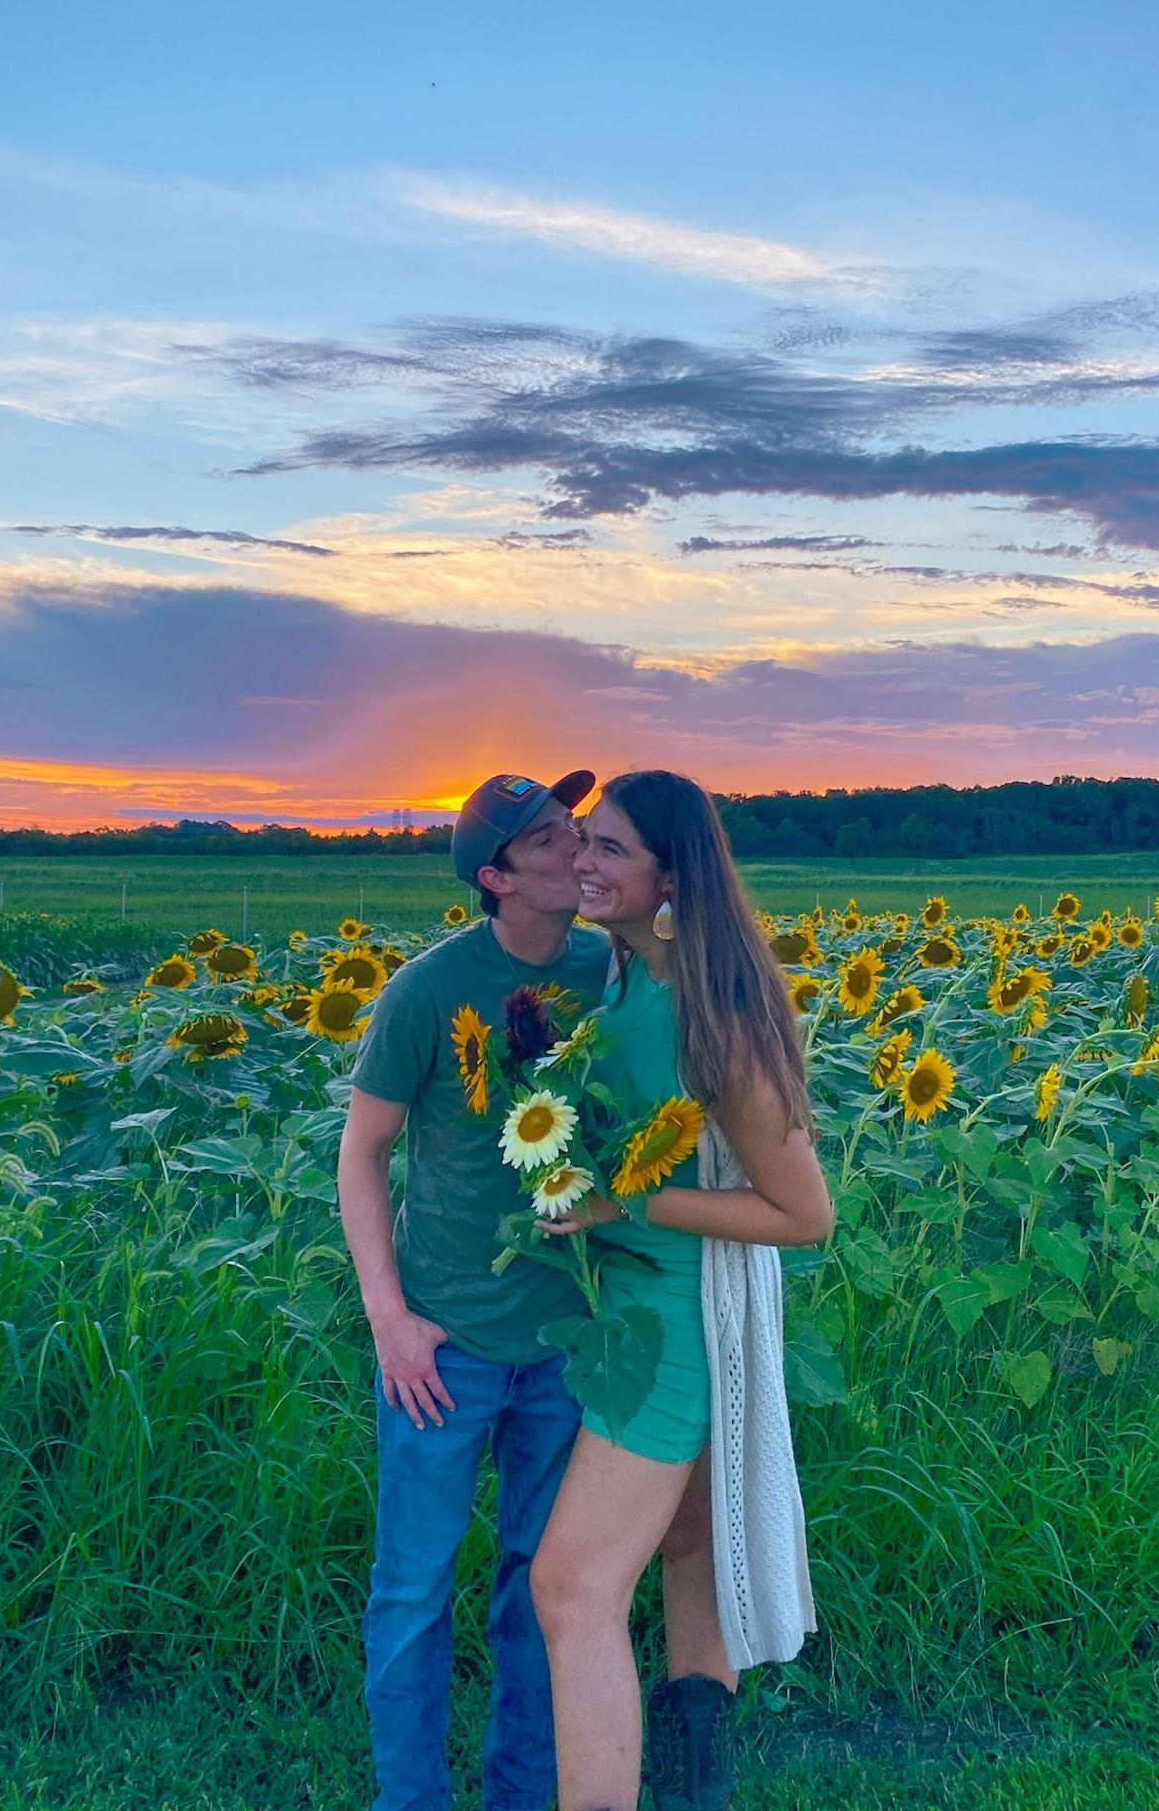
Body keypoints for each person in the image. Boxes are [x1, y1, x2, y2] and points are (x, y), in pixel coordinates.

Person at [528, 770, 834, 1811]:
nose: (583, 861)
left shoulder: (716, 1017)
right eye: (582, 843)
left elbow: (802, 1214)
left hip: (673, 1329)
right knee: (688, 1541)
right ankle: (696, 1778)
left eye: (608, 848)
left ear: (670, 878)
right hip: (631, 1308)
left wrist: (620, 1204)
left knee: (569, 1589)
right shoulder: (619, 979)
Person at [337, 767, 615, 1811]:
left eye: (575, 827)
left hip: (566, 1344)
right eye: (548, 839)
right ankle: (408, 1800)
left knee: (539, 1588)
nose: (575, 848)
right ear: (495, 876)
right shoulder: (425, 990)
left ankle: (519, 1791)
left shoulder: (611, 969)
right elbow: (361, 1153)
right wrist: (390, 1321)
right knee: (411, 1591)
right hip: (442, 1346)